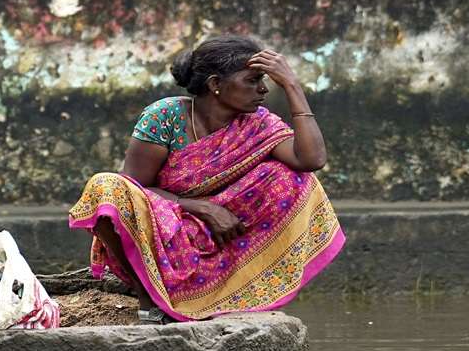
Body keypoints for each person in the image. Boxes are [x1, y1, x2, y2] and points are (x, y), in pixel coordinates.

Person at [68, 35, 345, 323]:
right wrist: (202, 207)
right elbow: (133, 190)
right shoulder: (165, 117)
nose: (263, 89)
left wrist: (292, 86)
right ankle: (148, 297)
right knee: (106, 186)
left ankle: (231, 287)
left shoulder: (259, 123)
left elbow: (311, 160)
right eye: (252, 80)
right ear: (215, 84)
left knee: (289, 177)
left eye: (265, 81)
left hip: (222, 237)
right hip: (163, 233)